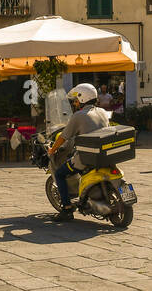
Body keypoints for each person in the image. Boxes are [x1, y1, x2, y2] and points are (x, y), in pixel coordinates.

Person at [47, 82, 111, 212]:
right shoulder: (103, 112)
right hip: (104, 155)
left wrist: (52, 150)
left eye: (76, 100)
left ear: (83, 98)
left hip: (86, 158)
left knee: (59, 174)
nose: (75, 103)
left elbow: (63, 137)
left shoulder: (79, 115)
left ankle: (67, 207)